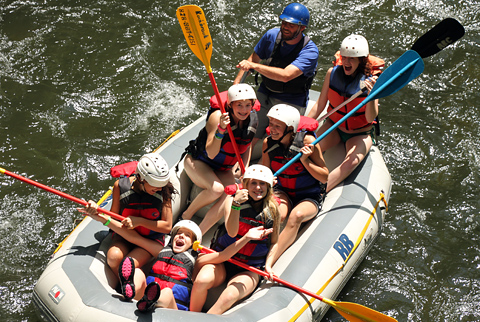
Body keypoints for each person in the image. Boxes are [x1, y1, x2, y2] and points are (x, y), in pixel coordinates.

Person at [190, 165, 280, 314]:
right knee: (201, 281)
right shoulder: (231, 200)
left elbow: (274, 242)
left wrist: (268, 266)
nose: (258, 188)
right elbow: (232, 232)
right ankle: (190, 315)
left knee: (229, 296)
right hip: (223, 260)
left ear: (268, 186)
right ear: (245, 184)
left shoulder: (273, 210)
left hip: (249, 269)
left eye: (262, 183)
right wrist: (236, 205)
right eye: (253, 183)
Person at [78, 203, 201, 312]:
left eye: (187, 235)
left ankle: (149, 301)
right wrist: (102, 219)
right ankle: (130, 292)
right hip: (142, 303)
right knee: (136, 271)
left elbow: (214, 264)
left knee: (167, 294)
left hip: (172, 312)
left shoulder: (196, 261)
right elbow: (133, 237)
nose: (181, 236)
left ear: (194, 244)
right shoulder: (161, 251)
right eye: (178, 233)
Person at [79, 152, 175, 287]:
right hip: (123, 237)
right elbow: (112, 217)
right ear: (141, 179)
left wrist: (139, 221)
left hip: (150, 241)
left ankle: (131, 286)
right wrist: (96, 209)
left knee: (129, 263)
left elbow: (167, 226)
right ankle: (123, 285)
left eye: (161, 185)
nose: (159, 188)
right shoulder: (120, 186)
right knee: (113, 257)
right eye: (155, 184)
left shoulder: (164, 191)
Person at [234, 2, 319, 149]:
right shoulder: (271, 35)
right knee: (249, 133)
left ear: (302, 28)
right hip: (265, 91)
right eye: (284, 22)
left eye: (291, 25)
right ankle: (243, 154)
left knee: (279, 144)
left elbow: (286, 75)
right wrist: (235, 89)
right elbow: (251, 60)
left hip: (291, 100)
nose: (286, 27)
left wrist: (255, 66)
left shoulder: (310, 51)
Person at [306, 34, 383, 193]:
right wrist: (302, 125)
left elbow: (370, 118)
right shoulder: (332, 73)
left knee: (350, 163)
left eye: (352, 59)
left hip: (359, 133)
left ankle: (320, 192)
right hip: (334, 126)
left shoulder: (372, 82)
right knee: (310, 148)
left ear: (361, 60)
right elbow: (321, 105)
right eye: (344, 57)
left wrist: (371, 96)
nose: (347, 62)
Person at [181, 83, 258, 234]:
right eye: (239, 105)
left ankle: (199, 232)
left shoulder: (252, 118)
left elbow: (247, 145)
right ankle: (186, 215)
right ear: (230, 104)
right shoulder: (217, 117)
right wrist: (221, 130)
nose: (244, 110)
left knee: (232, 192)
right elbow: (211, 152)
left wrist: (245, 167)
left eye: (248, 105)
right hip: (199, 161)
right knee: (217, 189)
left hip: (223, 167)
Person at [261, 104, 328, 267]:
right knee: (278, 214)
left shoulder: (309, 141)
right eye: (271, 124)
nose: (272, 129)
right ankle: (258, 250)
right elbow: (266, 172)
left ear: (290, 128)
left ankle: (270, 261)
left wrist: (305, 161)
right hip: (283, 191)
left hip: (309, 195)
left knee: (296, 215)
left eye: (277, 126)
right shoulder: (268, 143)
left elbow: (325, 176)